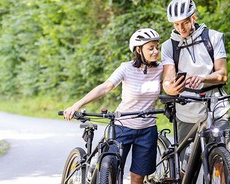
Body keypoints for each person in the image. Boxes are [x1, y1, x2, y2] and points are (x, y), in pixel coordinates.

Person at [63, 28, 163, 184]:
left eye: (157, 47)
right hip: (123, 126)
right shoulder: (126, 68)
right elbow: (105, 87)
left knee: (138, 177)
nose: (156, 51)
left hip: (147, 129)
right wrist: (77, 104)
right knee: (111, 173)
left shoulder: (161, 69)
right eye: (151, 48)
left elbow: (172, 84)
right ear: (138, 50)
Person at [161, 0, 230, 158]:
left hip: (216, 107)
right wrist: (170, 87)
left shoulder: (213, 37)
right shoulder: (168, 47)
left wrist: (201, 78)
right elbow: (168, 79)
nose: (181, 28)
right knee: (185, 165)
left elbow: (222, 75)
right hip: (186, 110)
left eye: (185, 22)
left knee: (223, 158)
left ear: (194, 17)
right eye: (177, 24)